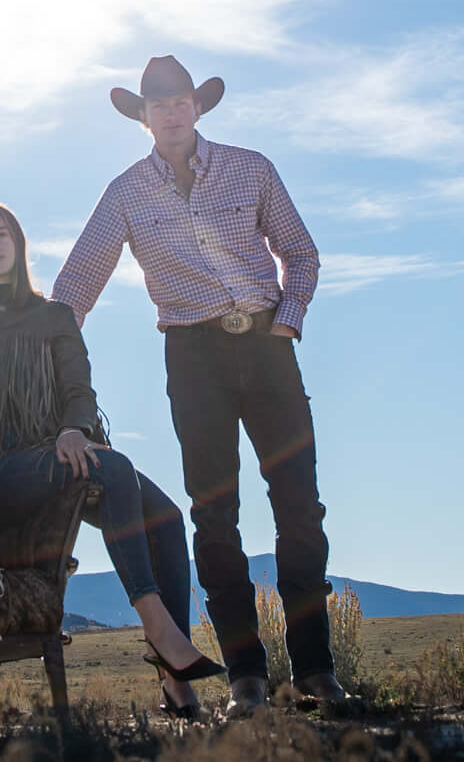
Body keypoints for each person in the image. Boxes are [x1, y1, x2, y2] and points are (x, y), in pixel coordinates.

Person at [51, 56, 346, 712]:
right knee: (216, 517)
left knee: (300, 507)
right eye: (158, 105)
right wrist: (44, 357)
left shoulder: (251, 168)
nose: (172, 113)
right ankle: (246, 676)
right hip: (192, 357)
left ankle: (317, 671)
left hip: (267, 348)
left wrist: (287, 324)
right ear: (144, 117)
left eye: (181, 101)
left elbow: (301, 253)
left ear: (197, 106)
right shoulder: (127, 193)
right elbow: (74, 287)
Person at [0, 200, 226, 719]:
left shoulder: (53, 316)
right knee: (114, 468)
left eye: (3, 234)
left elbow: (78, 388)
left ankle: (174, 682)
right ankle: (158, 627)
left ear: (20, 245)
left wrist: (72, 428)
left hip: (50, 453)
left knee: (168, 518)